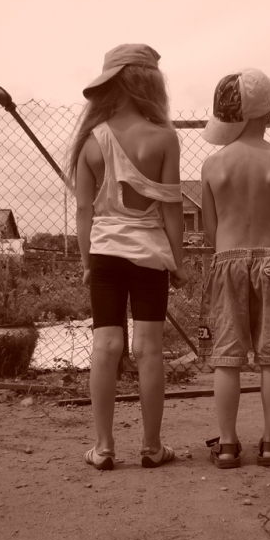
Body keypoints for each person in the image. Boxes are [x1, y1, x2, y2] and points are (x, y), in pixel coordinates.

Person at [67, 43, 188, 470]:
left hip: (105, 254)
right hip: (150, 253)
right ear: (150, 84)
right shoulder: (164, 138)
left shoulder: (91, 141)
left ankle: (103, 448)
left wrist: (87, 263)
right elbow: (172, 209)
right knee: (148, 349)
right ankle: (152, 447)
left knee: (106, 346)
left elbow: (84, 211)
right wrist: (178, 263)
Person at [198, 68, 270, 468]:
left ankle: (227, 445)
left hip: (226, 260)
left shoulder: (213, 165)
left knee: (226, 356)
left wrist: (229, 253)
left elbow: (210, 230)